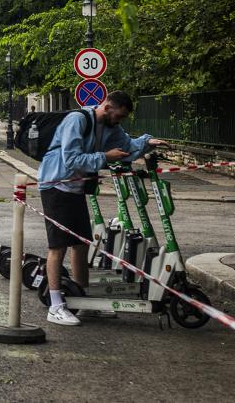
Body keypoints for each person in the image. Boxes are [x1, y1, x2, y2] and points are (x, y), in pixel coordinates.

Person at [37, 90, 163, 327]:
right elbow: (71, 159)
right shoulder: (77, 121)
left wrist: (147, 142)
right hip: (55, 185)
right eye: (119, 116)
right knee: (58, 246)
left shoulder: (109, 127)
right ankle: (55, 306)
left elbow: (127, 147)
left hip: (75, 188)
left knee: (81, 244)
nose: (120, 121)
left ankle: (83, 301)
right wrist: (105, 157)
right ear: (107, 107)